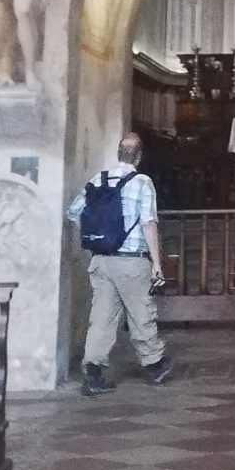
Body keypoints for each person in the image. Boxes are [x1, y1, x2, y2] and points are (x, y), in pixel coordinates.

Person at [67, 132, 173, 396]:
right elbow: (148, 223)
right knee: (141, 313)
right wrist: (157, 263)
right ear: (139, 156)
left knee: (101, 318)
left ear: (118, 154)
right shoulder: (142, 182)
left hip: (101, 260)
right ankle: (155, 364)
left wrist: (99, 237)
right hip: (131, 261)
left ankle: (93, 375)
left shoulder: (98, 179)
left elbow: (74, 212)